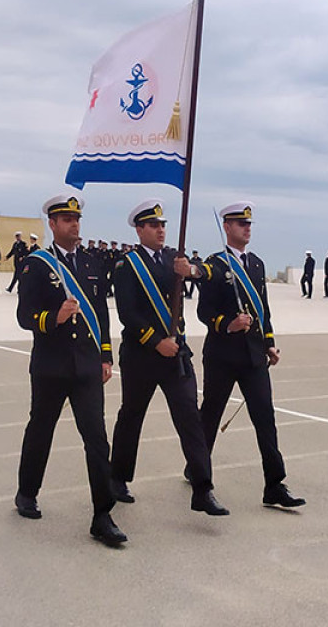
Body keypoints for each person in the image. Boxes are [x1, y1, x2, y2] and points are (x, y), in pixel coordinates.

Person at [13, 193, 126, 546]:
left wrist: (106, 355)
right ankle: (27, 491)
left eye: (77, 219)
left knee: (96, 439)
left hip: (87, 366)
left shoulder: (91, 264)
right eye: (66, 219)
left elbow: (102, 315)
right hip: (50, 366)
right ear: (52, 224)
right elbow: (24, 316)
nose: (74, 225)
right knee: (41, 430)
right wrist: (52, 318)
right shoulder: (37, 264)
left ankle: (102, 515)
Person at [108, 200, 228, 517]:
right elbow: (128, 314)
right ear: (139, 229)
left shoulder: (174, 259)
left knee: (190, 417)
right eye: (153, 225)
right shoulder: (127, 265)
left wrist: (190, 271)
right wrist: (155, 341)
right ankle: (117, 477)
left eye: (163, 225)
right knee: (132, 416)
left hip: (176, 355)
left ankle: (203, 488)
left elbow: (205, 277)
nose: (161, 230)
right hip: (141, 354)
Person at [197, 202, 304, 509]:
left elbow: (263, 311)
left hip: (254, 356)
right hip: (222, 355)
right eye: (240, 223)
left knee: (265, 419)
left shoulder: (256, 264)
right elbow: (205, 312)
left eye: (249, 224)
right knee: (210, 416)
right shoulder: (215, 264)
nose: (247, 228)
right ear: (227, 227)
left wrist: (269, 342)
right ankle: (199, 476)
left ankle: (274, 485)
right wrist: (227, 325)